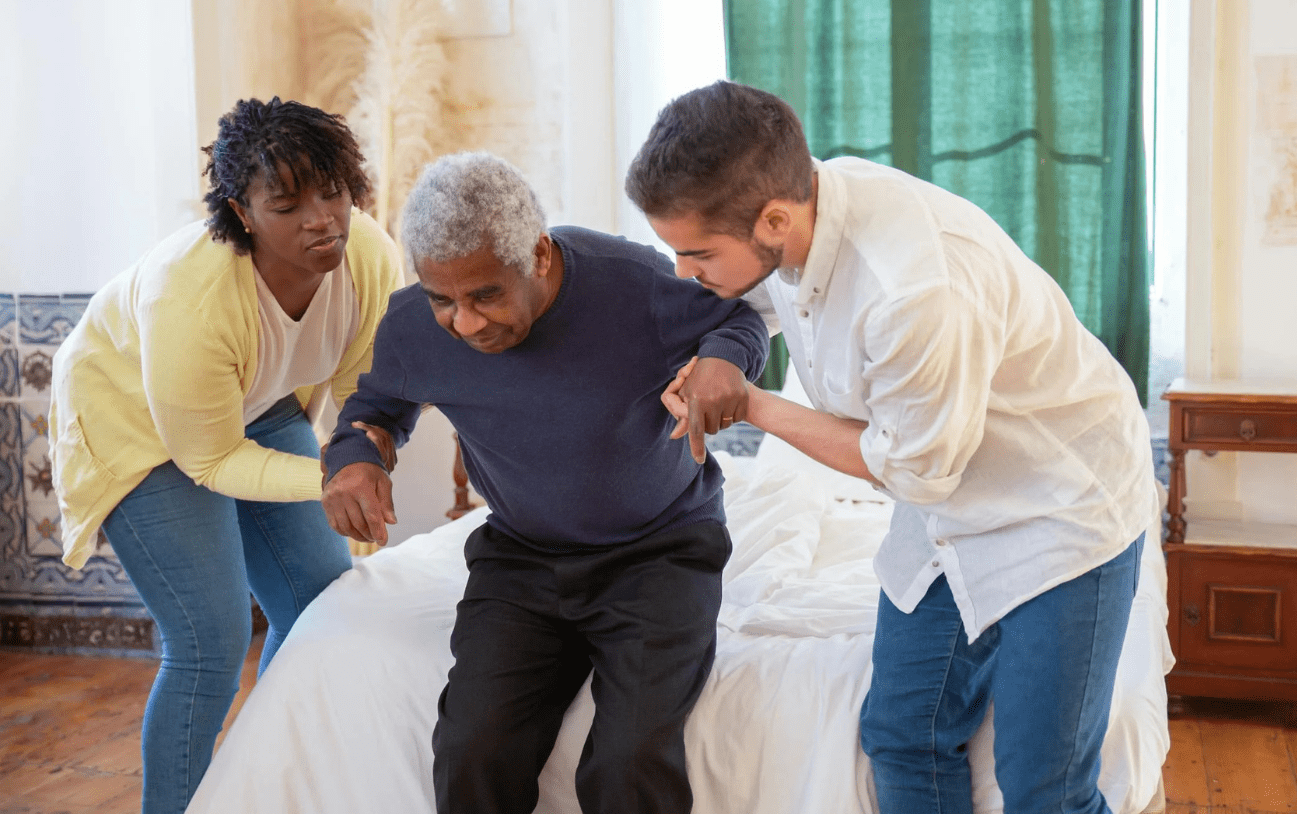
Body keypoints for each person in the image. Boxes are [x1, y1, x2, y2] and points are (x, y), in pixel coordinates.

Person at [627, 80, 1159, 814]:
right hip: (951, 495)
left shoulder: (912, 291)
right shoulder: (801, 208)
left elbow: (910, 469)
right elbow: (751, 301)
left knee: (1045, 786)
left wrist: (755, 406)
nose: (686, 273)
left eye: (696, 254)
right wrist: (721, 355)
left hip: (1063, 504)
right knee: (903, 733)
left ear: (775, 218)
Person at [319, 151, 768, 814]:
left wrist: (722, 364)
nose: (464, 323)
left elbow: (739, 321)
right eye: (444, 299)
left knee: (629, 765)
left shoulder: (631, 283)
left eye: (486, 296)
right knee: (472, 751)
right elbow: (375, 406)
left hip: (659, 551)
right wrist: (355, 458)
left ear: (538, 253)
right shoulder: (416, 325)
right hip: (523, 558)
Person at [48, 97, 403, 814]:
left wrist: (362, 463)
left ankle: (257, 790)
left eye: (334, 191)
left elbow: (365, 395)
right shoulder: (191, 296)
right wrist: (330, 479)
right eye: (289, 204)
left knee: (317, 608)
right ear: (242, 212)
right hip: (133, 419)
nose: (323, 219)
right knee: (211, 638)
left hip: (254, 396)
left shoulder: (366, 253)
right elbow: (209, 461)